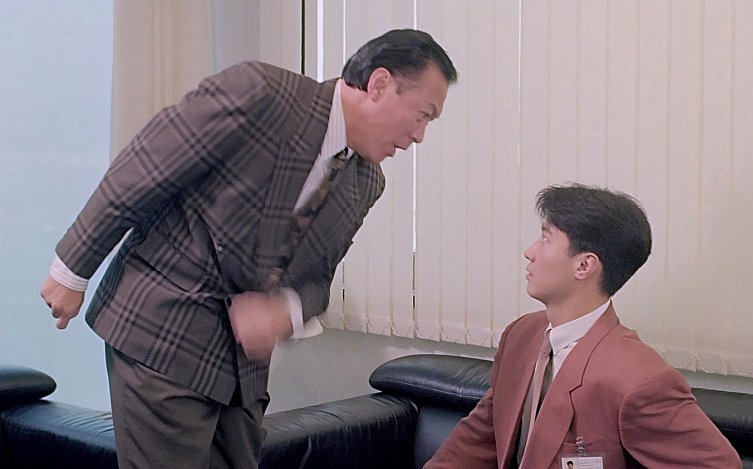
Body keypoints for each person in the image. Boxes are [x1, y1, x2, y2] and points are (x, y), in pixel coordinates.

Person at [40, 29, 457, 468]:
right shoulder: (262, 94)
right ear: (380, 84)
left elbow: (317, 282)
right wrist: (72, 270)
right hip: (162, 329)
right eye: (422, 115)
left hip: (242, 369)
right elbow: (145, 169)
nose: (419, 136)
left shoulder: (366, 182)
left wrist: (284, 310)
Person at [425, 184, 741, 468]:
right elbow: (481, 435)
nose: (530, 252)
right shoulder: (521, 335)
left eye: (546, 239)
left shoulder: (640, 379)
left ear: (584, 265)